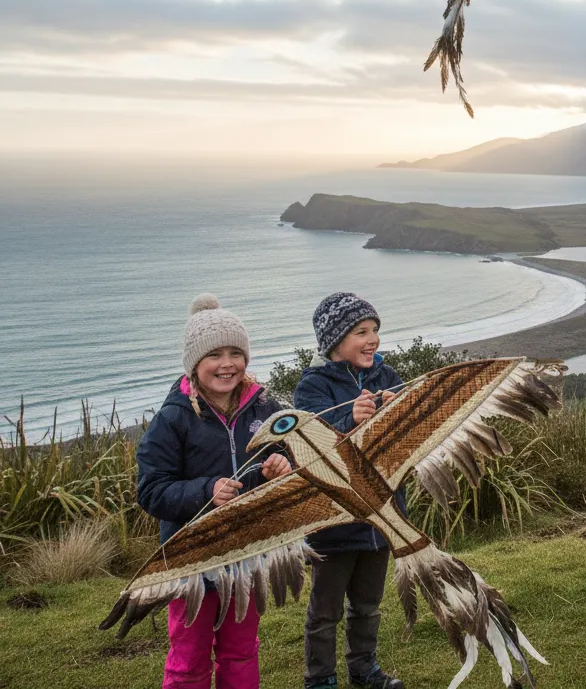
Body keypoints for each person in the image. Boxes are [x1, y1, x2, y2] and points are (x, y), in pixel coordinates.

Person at [137, 294, 292, 689]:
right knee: (189, 658)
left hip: (246, 554)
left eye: (236, 353)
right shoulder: (173, 419)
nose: (228, 364)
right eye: (215, 355)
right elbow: (152, 491)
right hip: (192, 560)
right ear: (194, 363)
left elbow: (282, 450)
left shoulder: (262, 406)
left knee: (241, 651)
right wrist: (206, 490)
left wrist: (281, 465)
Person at [293, 292, 405, 689]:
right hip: (334, 519)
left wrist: (398, 409)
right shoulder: (312, 386)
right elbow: (308, 440)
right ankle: (320, 679)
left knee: (368, 605)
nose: (373, 338)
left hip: (380, 517)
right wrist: (347, 418)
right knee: (325, 611)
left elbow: (408, 436)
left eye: (375, 329)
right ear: (335, 341)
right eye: (362, 331)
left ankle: (364, 670)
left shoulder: (387, 377)